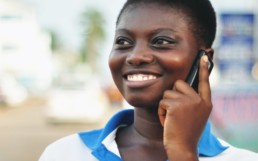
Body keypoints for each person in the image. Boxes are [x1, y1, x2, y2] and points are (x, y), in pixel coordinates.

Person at [38, 0, 258, 160]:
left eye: (161, 41)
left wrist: (183, 153)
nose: (135, 56)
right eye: (123, 41)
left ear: (204, 60)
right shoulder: (64, 153)